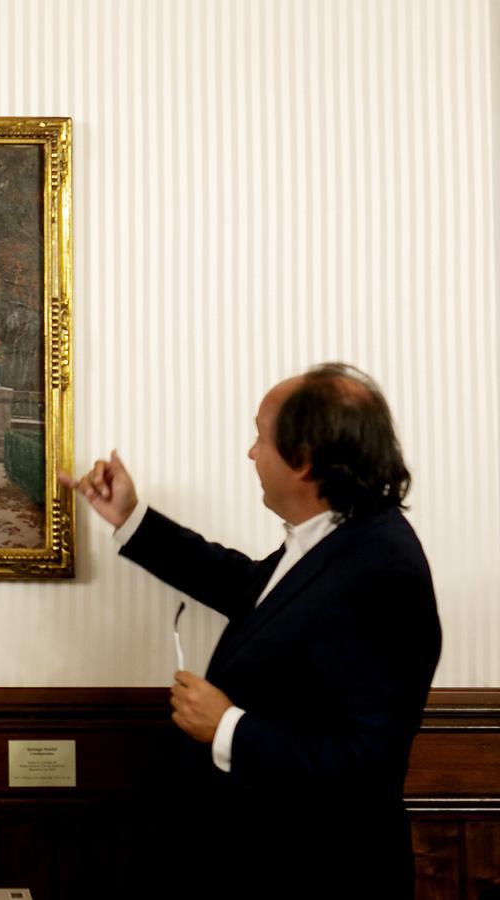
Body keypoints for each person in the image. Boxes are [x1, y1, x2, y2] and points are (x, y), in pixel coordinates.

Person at [60, 363, 440, 898]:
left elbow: (365, 765)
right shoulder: (337, 539)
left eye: (260, 437)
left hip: (320, 875)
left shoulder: (382, 569)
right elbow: (248, 587)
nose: (251, 453)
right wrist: (130, 517)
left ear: (304, 460)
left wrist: (227, 726)